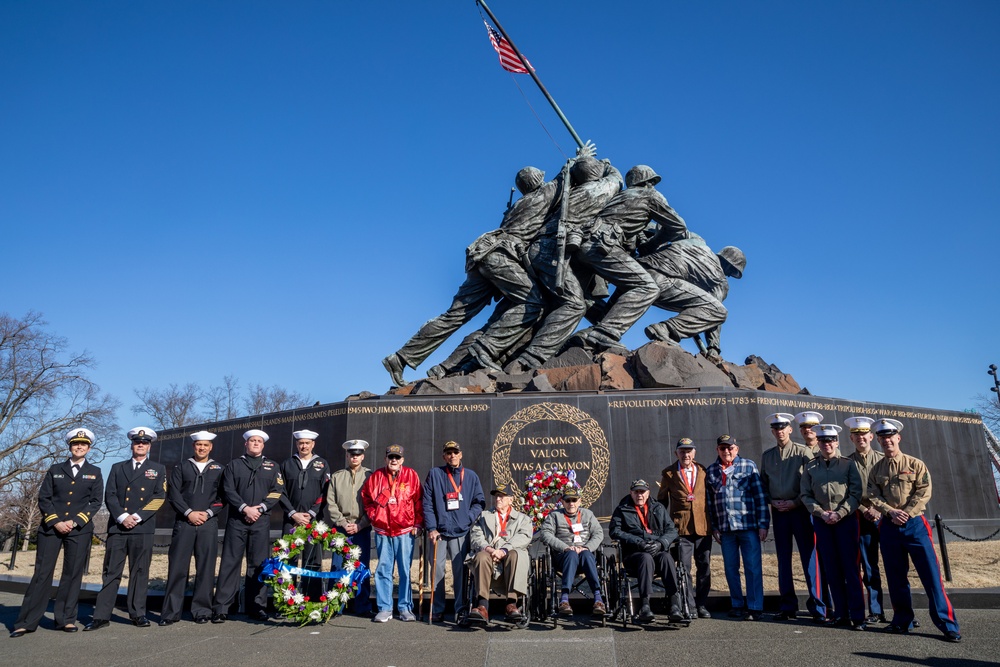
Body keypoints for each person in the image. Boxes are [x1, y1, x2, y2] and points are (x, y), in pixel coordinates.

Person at [568, 164, 691, 354]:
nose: (654, 186)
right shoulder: (650, 196)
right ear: (648, 183)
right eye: (652, 183)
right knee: (647, 288)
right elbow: (678, 227)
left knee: (580, 299)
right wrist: (651, 245)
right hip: (601, 246)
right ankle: (605, 333)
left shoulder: (619, 198)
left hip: (583, 244)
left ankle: (582, 336)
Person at [866, 418, 961, 642]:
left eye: (890, 437)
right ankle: (902, 621)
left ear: (898, 438)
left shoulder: (915, 464)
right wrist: (890, 512)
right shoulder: (876, 469)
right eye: (883, 437)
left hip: (914, 524)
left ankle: (947, 624)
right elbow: (872, 495)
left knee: (931, 576)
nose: (887, 441)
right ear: (878, 440)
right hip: (889, 525)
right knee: (896, 577)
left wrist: (906, 512)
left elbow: (924, 491)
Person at [10, 428, 104, 637]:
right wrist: (56, 522)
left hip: (79, 530)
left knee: (72, 575)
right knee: (42, 574)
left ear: (89, 448)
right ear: (69, 446)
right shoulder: (55, 469)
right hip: (51, 528)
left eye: (84, 444)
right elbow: (44, 498)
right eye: (75, 444)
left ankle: (66, 619)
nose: (79, 447)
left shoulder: (95, 472)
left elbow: (96, 501)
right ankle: (26, 621)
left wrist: (75, 521)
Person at [85, 427, 167, 631]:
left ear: (149, 446)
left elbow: (159, 497)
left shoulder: (158, 469)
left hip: (143, 527)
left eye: (145, 443)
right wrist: (122, 516)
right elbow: (110, 495)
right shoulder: (117, 467)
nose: (141, 445)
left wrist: (137, 516)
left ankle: (138, 613)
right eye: (137, 442)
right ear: (132, 445)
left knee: (140, 572)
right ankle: (101, 616)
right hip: (119, 528)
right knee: (111, 572)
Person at [211, 429, 285, 624]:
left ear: (263, 445)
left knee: (259, 565)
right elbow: (227, 490)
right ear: (246, 443)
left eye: (259, 441)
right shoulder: (234, 465)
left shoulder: (272, 466)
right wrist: (245, 508)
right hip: (237, 520)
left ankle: (257, 607)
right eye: (252, 440)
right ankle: (222, 608)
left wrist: (259, 508)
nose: (255, 443)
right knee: (230, 563)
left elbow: (277, 491)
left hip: (261, 521)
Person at [637, 233, 745, 361]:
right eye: (733, 271)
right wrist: (713, 347)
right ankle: (666, 329)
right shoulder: (719, 280)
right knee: (718, 311)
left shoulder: (697, 243)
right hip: (662, 284)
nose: (730, 276)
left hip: (637, 269)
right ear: (728, 265)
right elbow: (713, 312)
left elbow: (664, 228)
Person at [760, 413, 825, 622]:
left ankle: (817, 606)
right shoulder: (767, 456)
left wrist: (796, 502)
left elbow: (813, 482)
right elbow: (763, 484)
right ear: (772, 431)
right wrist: (772, 500)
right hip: (778, 512)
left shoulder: (802, 451)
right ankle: (788, 606)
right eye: (776, 428)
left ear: (790, 429)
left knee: (809, 559)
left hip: (799, 510)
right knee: (783, 560)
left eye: (784, 427)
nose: (780, 431)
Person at [800, 424, 866, 630]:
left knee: (851, 569)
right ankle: (841, 614)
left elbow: (855, 493)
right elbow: (805, 495)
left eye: (830, 441)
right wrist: (822, 513)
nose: (827, 444)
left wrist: (840, 513)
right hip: (823, 522)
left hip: (845, 521)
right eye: (823, 441)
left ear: (837, 442)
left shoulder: (848, 465)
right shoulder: (810, 467)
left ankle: (858, 616)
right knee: (832, 569)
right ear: (818, 443)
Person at [160, 430, 225, 625]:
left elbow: (223, 497)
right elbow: (174, 495)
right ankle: (171, 613)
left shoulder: (219, 469)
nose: (202, 448)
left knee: (205, 568)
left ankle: (202, 611)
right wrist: (189, 512)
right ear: (193, 446)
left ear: (211, 447)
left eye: (205, 445)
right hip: (184, 523)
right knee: (178, 568)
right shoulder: (182, 467)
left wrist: (207, 513)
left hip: (208, 524)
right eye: (199, 445)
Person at [705, 435, 769, 621]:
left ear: (737, 449)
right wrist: (714, 527)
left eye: (730, 448)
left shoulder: (749, 466)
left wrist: (763, 524)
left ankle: (755, 606)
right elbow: (710, 503)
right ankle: (737, 604)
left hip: (748, 526)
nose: (727, 451)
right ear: (717, 450)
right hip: (726, 529)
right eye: (723, 448)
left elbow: (760, 497)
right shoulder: (711, 471)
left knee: (753, 567)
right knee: (730, 568)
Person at [422, 441, 486, 622]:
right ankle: (438, 608)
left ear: (461, 454)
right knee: (437, 571)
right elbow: (427, 503)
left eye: (455, 452)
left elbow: (479, 502)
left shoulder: (471, 476)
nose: (452, 456)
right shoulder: (435, 474)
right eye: (448, 453)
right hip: (439, 533)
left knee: (460, 573)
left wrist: (468, 518)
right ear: (444, 456)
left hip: (461, 531)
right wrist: (432, 528)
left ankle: (460, 608)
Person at [361, 444, 423, 623]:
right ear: (385, 459)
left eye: (397, 457)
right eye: (390, 457)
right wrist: (374, 516)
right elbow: (366, 498)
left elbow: (418, 500)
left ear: (402, 460)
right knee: (383, 569)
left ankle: (404, 608)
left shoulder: (411, 475)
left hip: (404, 530)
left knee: (404, 570)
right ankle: (385, 608)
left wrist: (417, 523)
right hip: (383, 530)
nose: (394, 460)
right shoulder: (376, 477)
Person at [609, 479, 680, 623]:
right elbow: (614, 531)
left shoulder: (658, 508)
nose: (639, 495)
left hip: (656, 549)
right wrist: (638, 542)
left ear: (648, 493)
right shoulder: (622, 509)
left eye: (642, 492)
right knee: (645, 558)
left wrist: (660, 543)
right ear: (631, 493)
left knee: (667, 557)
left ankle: (674, 605)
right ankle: (645, 606)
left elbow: (672, 530)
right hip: (634, 554)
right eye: (636, 492)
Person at [657, 437, 712, 619]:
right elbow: (662, 502)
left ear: (694, 453)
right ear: (676, 453)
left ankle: (702, 603)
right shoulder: (669, 474)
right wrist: (661, 527)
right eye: (682, 451)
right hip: (681, 529)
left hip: (703, 528)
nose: (686, 454)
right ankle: (690, 606)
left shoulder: (704, 471)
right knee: (684, 568)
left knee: (704, 567)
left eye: (689, 451)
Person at [468, 483, 534, 622]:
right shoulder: (484, 516)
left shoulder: (523, 519)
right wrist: (490, 549)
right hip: (489, 553)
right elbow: (476, 535)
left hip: (510, 554)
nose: (498, 499)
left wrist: (504, 550)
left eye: (502, 497)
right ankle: (482, 606)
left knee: (515, 555)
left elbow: (524, 537)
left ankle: (511, 603)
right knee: (480, 557)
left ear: (511, 499)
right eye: (497, 496)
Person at [278, 429, 331, 599]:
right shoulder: (287, 464)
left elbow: (326, 492)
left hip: (313, 520)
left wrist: (310, 513)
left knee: (313, 561)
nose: (304, 446)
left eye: (307, 443)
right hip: (291, 520)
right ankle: (288, 599)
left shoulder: (322, 464)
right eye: (301, 443)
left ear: (313, 444)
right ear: (296, 444)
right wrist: (293, 513)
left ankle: (313, 598)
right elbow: (280, 491)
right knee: (288, 560)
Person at [539, 487, 607, 617]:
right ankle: (564, 599)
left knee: (587, 554)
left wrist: (587, 547)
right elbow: (545, 534)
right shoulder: (555, 516)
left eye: (574, 500)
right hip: (563, 556)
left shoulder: (588, 514)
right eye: (568, 500)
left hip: (585, 555)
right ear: (563, 502)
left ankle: (598, 598)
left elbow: (598, 533)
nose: (571, 503)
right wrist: (565, 547)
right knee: (571, 554)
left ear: (579, 501)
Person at [844, 415, 886, 623]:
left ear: (871, 436)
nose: (860, 438)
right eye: (856, 435)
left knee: (896, 564)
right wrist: (864, 508)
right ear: (851, 438)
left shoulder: (883, 459)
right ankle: (876, 610)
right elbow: (848, 493)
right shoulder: (846, 463)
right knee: (869, 566)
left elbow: (890, 490)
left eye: (864, 434)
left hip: (885, 516)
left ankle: (904, 611)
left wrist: (878, 509)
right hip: (861, 517)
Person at [326, 438, 373, 616]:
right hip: (341, 528)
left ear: (363, 456)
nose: (355, 457)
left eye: (358, 454)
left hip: (362, 528)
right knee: (338, 567)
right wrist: (344, 523)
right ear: (347, 456)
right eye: (352, 454)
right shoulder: (337, 477)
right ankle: (335, 605)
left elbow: (374, 504)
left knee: (361, 567)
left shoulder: (371, 476)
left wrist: (360, 525)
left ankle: (362, 605)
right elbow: (331, 503)